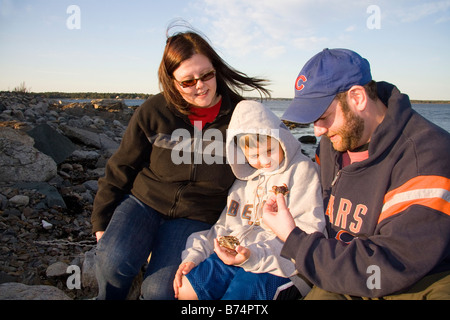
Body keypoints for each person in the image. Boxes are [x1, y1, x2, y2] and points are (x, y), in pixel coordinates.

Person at [92, 29, 270, 300]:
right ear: (171, 81)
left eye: (207, 75)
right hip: (144, 203)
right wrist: (101, 220)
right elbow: (122, 165)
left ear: (216, 69)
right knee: (112, 262)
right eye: (188, 81)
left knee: (159, 292)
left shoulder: (241, 115)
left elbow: (271, 159)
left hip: (197, 215)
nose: (200, 85)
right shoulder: (154, 110)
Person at [263, 48, 450, 300]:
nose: (317, 131)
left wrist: (293, 238)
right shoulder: (331, 145)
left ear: (358, 97)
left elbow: (387, 265)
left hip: (415, 281)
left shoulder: (426, 157)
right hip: (341, 266)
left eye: (323, 117)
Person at [173, 100, 326, 300]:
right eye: (253, 155)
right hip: (238, 252)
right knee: (186, 289)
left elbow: (309, 229)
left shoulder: (303, 171)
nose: (263, 161)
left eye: (270, 151)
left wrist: (253, 256)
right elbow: (222, 227)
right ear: (241, 154)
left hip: (283, 263)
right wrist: (196, 255)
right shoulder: (243, 182)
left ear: (282, 139)